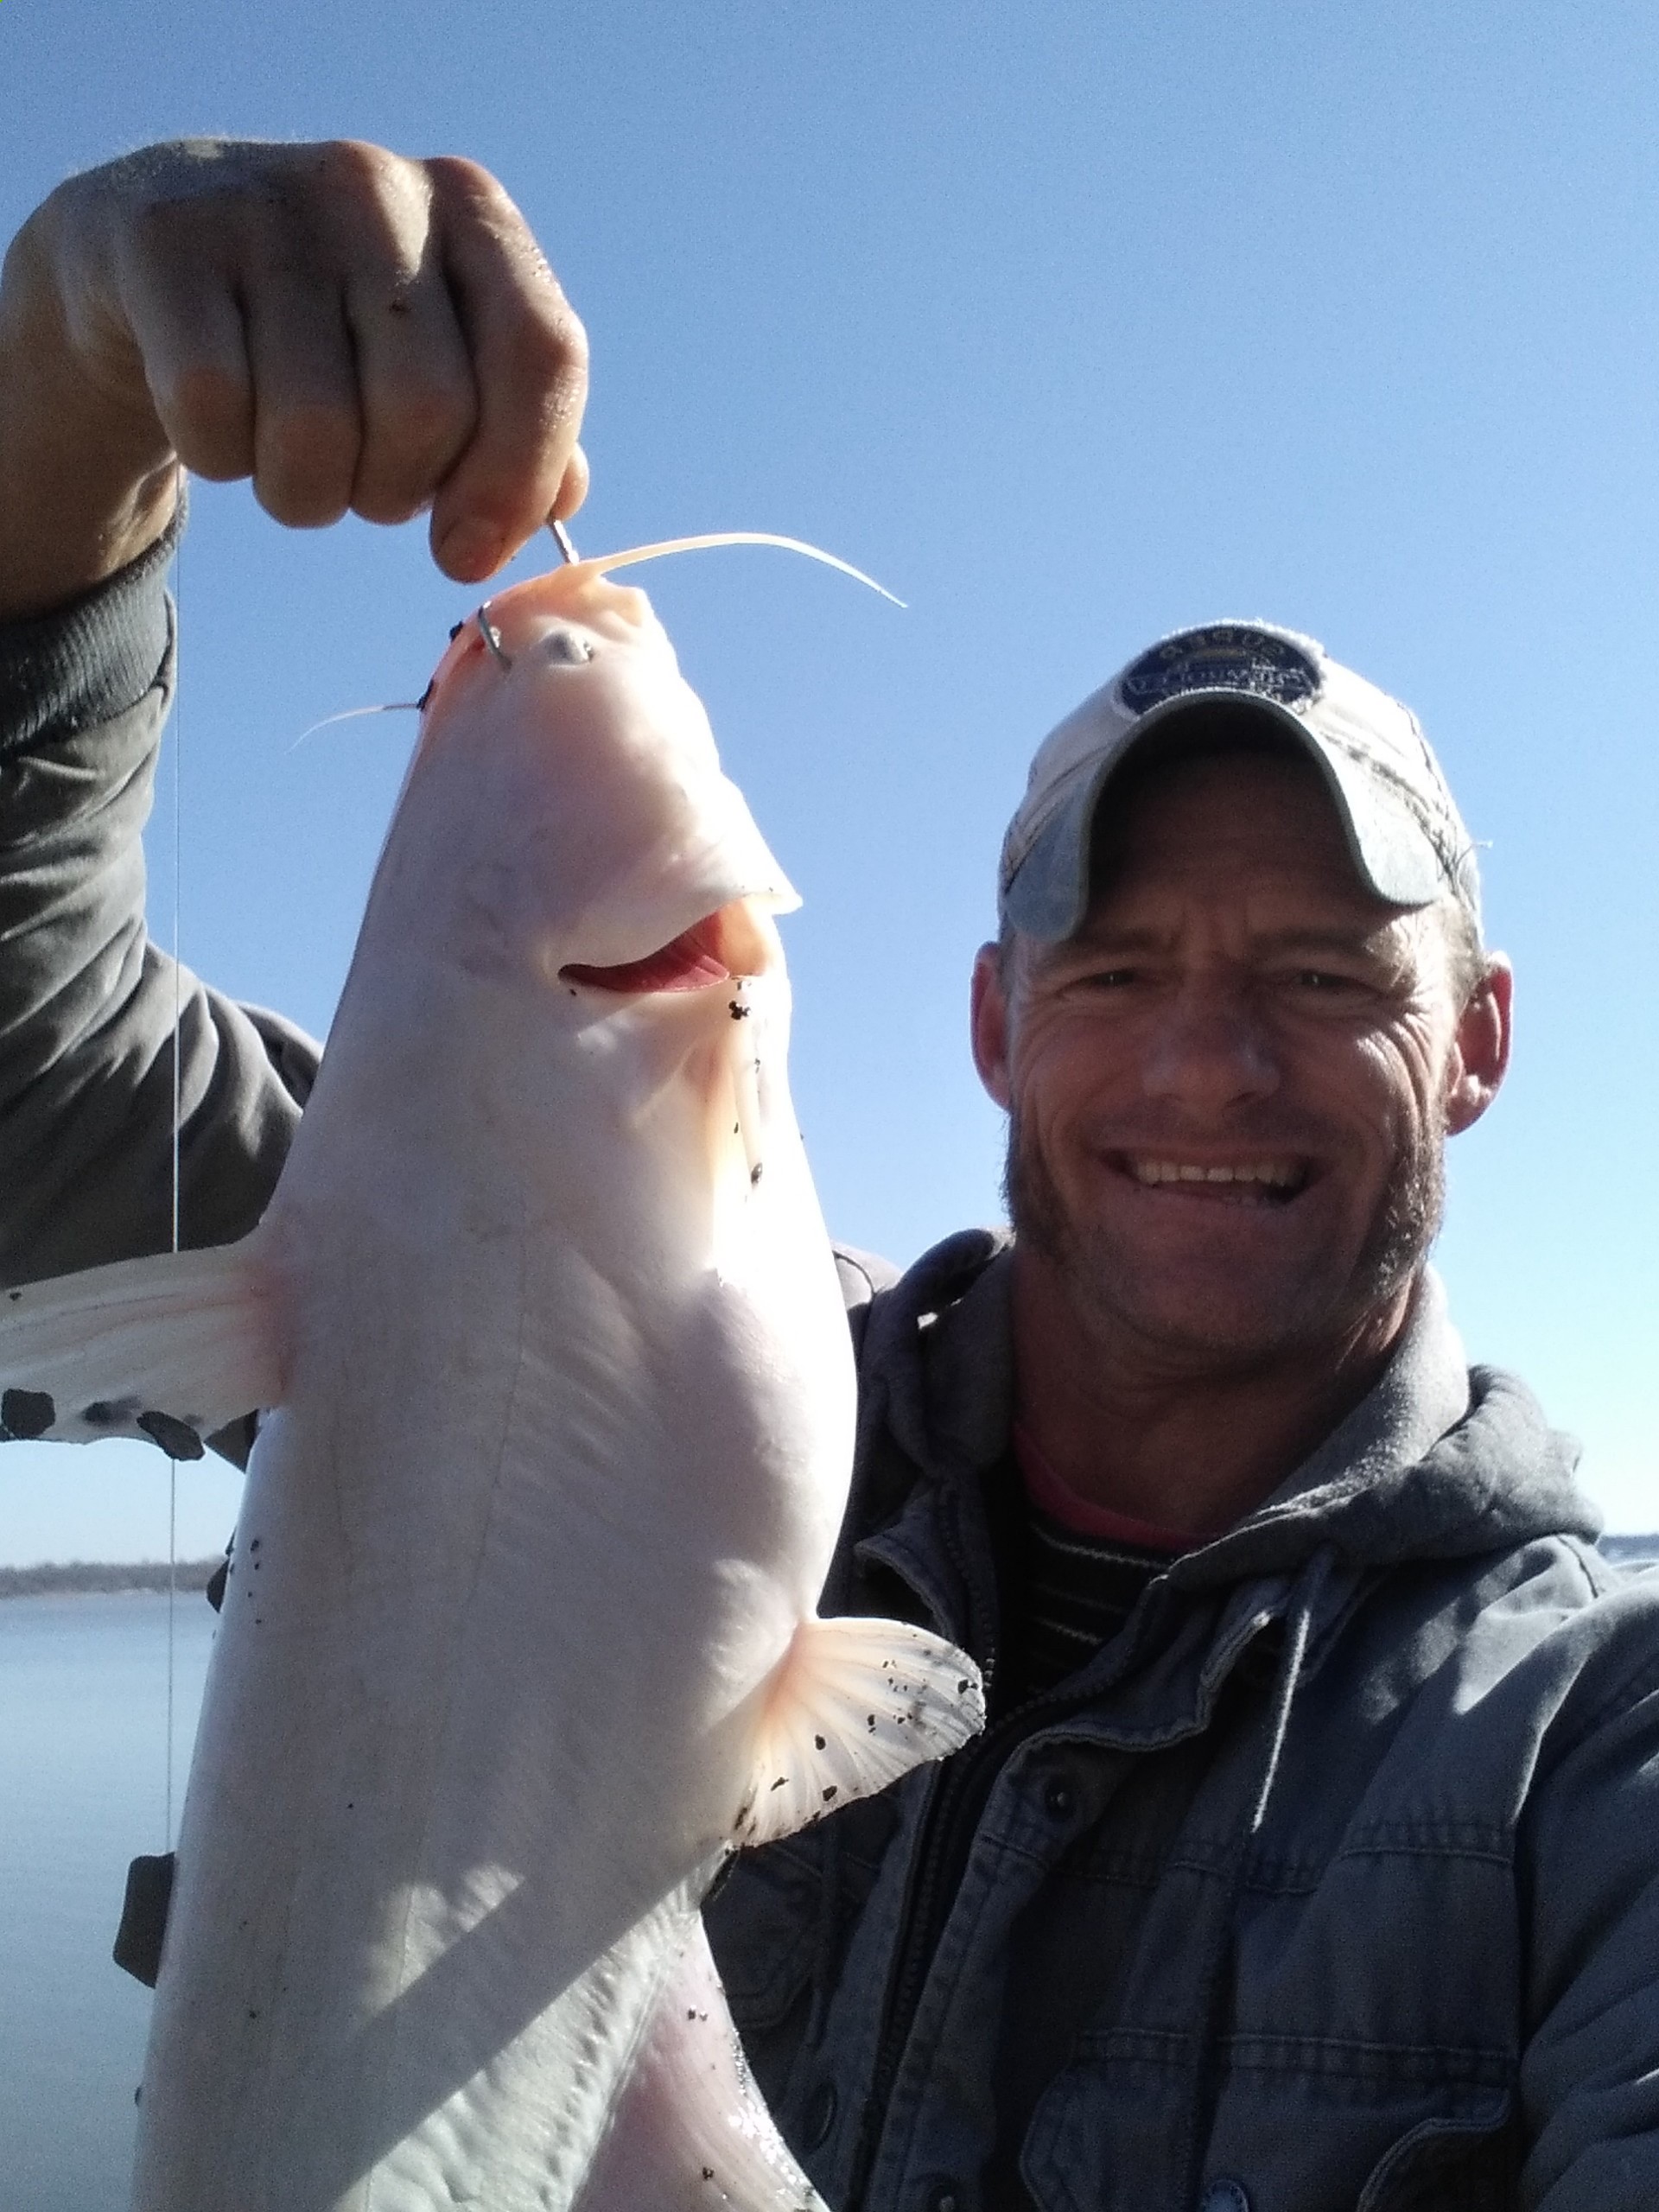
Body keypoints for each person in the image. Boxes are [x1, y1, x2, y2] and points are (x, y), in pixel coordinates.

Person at [2, 139, 1656, 2212]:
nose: (1206, 1062)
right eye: (1116, 968)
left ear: (1481, 1038)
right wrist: (58, 384)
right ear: (991, 1024)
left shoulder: (1594, 1746)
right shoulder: (466, 1256)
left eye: (1324, 975)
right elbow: (31, 1075)